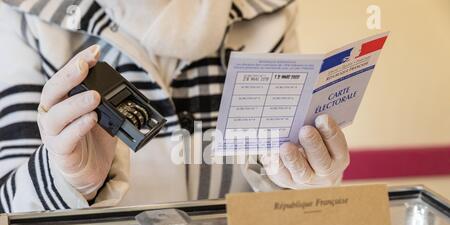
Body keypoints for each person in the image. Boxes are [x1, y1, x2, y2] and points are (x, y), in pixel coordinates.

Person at [0, 0, 350, 213]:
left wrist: (308, 182)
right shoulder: (26, 15)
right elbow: (7, 216)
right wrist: (68, 180)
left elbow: (281, 181)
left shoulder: (271, 10)